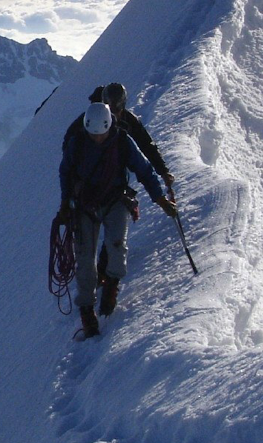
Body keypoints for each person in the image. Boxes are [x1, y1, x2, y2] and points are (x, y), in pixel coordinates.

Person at [58, 102, 177, 338]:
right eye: (93, 135)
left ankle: (111, 285)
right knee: (85, 257)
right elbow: (65, 172)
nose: (97, 138)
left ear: (108, 126)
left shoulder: (122, 141)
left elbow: (144, 170)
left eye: (101, 134)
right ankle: (87, 309)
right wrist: (65, 204)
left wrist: (160, 199)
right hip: (85, 204)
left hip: (113, 200)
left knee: (117, 246)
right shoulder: (79, 142)